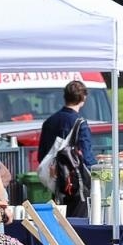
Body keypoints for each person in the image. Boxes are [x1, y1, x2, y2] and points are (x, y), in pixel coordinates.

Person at [36, 80, 95, 219]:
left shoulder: (49, 121)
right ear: (83, 98)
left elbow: (42, 154)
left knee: (60, 219)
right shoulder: (80, 123)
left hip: (56, 180)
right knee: (78, 222)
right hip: (77, 183)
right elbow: (87, 156)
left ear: (65, 97)